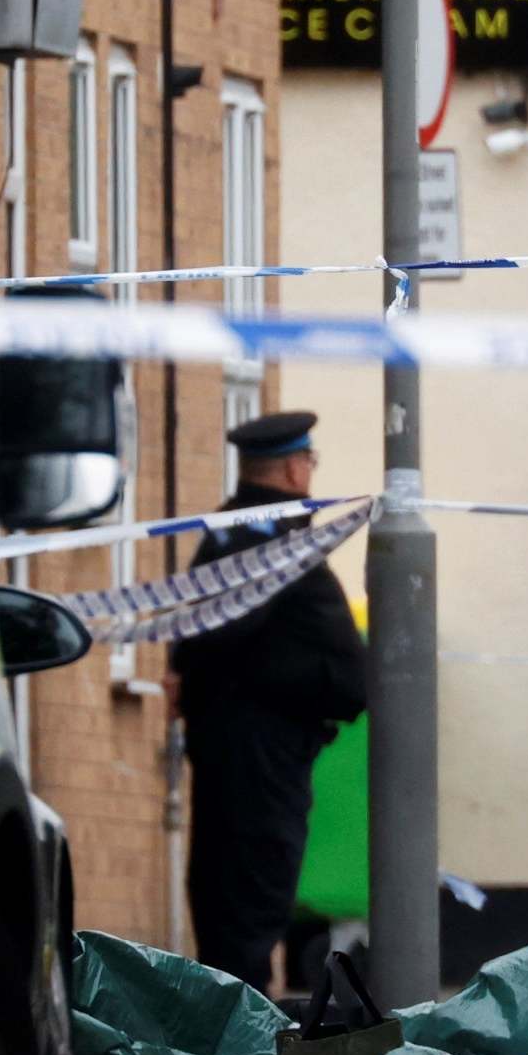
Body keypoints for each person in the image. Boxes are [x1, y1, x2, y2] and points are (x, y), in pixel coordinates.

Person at [169, 412, 368, 994]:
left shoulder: (244, 533)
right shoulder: (264, 539)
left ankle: (245, 1029)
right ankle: (248, 1049)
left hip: (257, 747)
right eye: (309, 462)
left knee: (247, 901)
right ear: (292, 466)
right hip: (257, 752)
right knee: (250, 905)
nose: (310, 473)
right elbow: (222, 639)